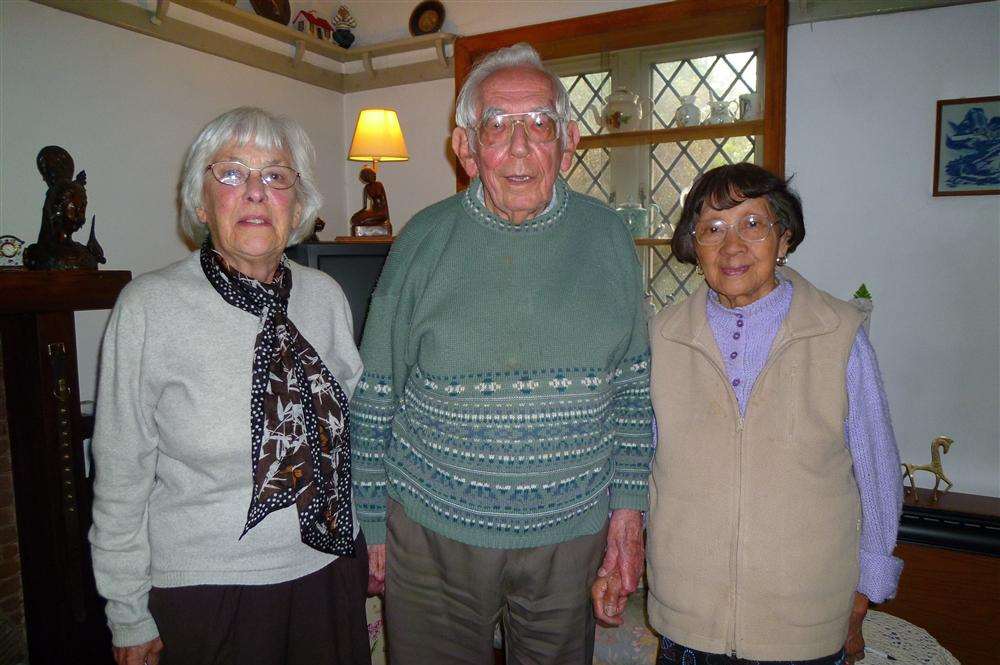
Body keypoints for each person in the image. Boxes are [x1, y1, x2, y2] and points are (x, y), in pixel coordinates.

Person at [350, 43, 654, 665]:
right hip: (433, 530)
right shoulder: (421, 242)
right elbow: (376, 394)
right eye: (496, 126)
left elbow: (632, 393)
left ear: (568, 143)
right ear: (465, 148)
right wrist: (373, 521)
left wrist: (628, 515)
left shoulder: (608, 240)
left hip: (569, 532)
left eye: (539, 124)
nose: (519, 147)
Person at [89, 107, 370, 665]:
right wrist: (127, 613)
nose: (256, 193)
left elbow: (351, 441)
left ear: (299, 205)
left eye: (275, 175)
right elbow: (120, 475)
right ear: (200, 201)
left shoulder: (324, 297)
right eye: (232, 174)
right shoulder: (148, 309)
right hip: (207, 592)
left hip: (327, 571)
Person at [605, 163, 902, 665]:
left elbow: (876, 470)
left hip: (804, 623)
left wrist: (866, 591)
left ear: (783, 237)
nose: (732, 245)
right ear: (693, 248)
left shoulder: (838, 334)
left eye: (752, 224)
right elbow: (636, 461)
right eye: (712, 229)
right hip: (688, 618)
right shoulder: (661, 337)